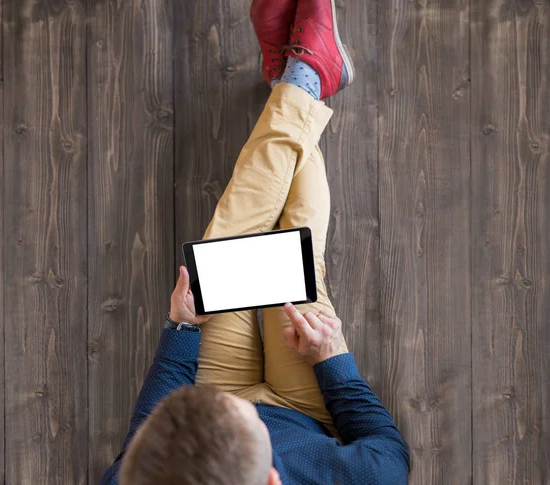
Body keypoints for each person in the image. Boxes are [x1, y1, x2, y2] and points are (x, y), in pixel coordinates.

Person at [100, 0, 410, 483]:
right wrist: (332, 361)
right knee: (299, 242)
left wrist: (181, 330)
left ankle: (301, 77)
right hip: (307, 400)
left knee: (230, 237)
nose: (244, 411)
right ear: (272, 479)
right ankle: (301, 75)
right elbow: (386, 453)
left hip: (212, 386)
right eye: (245, 422)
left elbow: (150, 433)